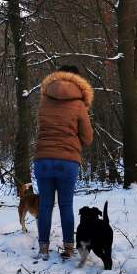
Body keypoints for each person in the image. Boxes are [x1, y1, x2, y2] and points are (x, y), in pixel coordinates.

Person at [33, 64, 94, 261]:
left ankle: (43, 249)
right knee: (66, 205)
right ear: (79, 81)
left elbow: (40, 128)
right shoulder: (79, 105)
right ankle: (68, 248)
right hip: (68, 162)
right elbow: (88, 138)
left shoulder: (44, 102)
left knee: (45, 206)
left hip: (42, 159)